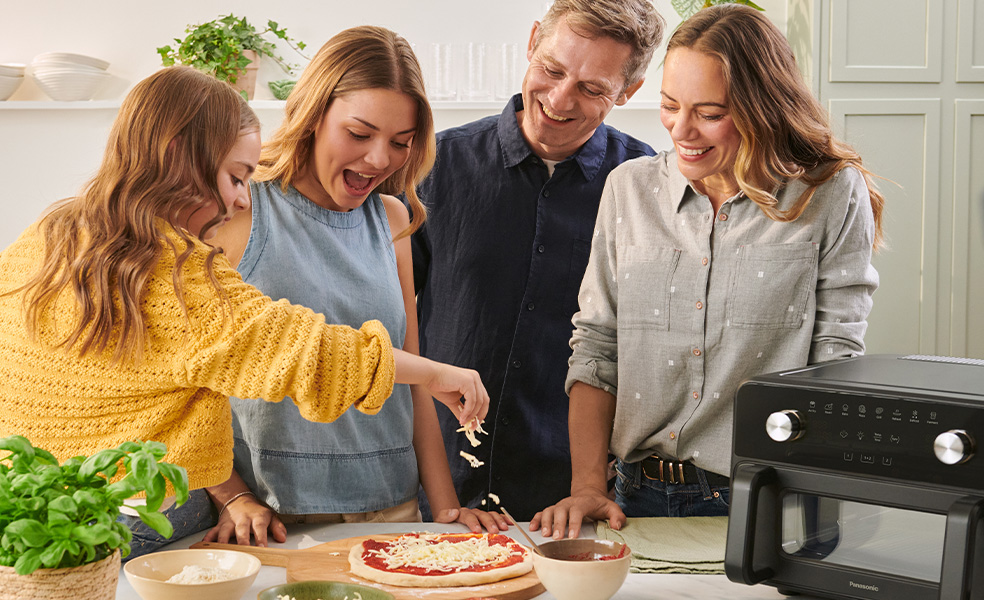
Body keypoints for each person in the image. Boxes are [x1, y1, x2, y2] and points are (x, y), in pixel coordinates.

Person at [0, 66, 489, 560]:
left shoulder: (55, 229)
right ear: (180, 156)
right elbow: (306, 352)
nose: (244, 198)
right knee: (187, 505)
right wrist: (441, 373)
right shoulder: (180, 274)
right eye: (235, 177)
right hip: (99, 513)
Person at [541, 3, 885, 534]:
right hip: (634, 499)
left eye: (710, 112)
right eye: (669, 105)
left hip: (773, 498)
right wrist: (588, 486)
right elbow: (596, 346)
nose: (682, 130)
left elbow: (835, 361)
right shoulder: (628, 190)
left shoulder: (830, 192)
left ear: (762, 107)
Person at [205, 26, 508, 548]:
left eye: (400, 142)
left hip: (392, 506)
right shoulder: (238, 211)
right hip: (273, 512)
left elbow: (412, 375)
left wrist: (446, 508)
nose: (378, 160)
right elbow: (183, 381)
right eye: (360, 133)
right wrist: (231, 496)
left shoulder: (392, 219)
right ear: (313, 114)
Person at [411, 0, 665, 525]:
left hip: (581, 499)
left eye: (593, 88)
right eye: (551, 69)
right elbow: (387, 327)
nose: (559, 98)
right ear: (531, 43)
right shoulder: (434, 166)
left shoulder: (651, 188)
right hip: (441, 490)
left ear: (628, 92)